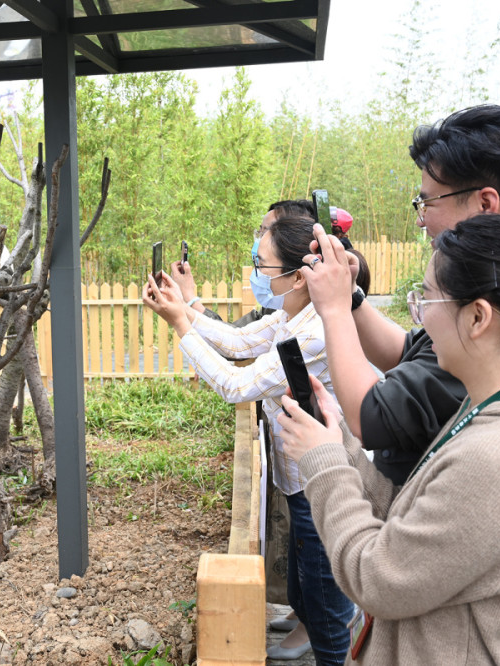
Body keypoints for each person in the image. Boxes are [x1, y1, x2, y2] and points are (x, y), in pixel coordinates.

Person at [277, 214, 500, 664]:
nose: (419, 317)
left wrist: (322, 464)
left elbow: (378, 579)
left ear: (478, 317)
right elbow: (410, 518)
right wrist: (337, 442)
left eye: (427, 298)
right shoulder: (498, 411)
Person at [305, 104, 500, 484]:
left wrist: (334, 310)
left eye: (427, 202)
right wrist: (351, 298)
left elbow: (371, 417)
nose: (420, 219)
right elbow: (409, 352)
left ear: (485, 204)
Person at [143, 216, 354, 665]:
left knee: (324, 596)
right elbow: (237, 341)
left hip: (322, 486)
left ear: (299, 275)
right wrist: (186, 305)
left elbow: (236, 385)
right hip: (301, 481)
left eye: (263, 265)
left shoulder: (313, 332)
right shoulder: (293, 313)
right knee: (303, 584)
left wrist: (181, 324)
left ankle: (333, 654)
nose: (256, 273)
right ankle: (314, 633)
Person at [170, 199, 316, 324]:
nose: (261, 239)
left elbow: (231, 346)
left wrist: (182, 309)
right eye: (260, 232)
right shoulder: (280, 312)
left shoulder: (311, 330)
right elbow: (235, 339)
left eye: (267, 232)